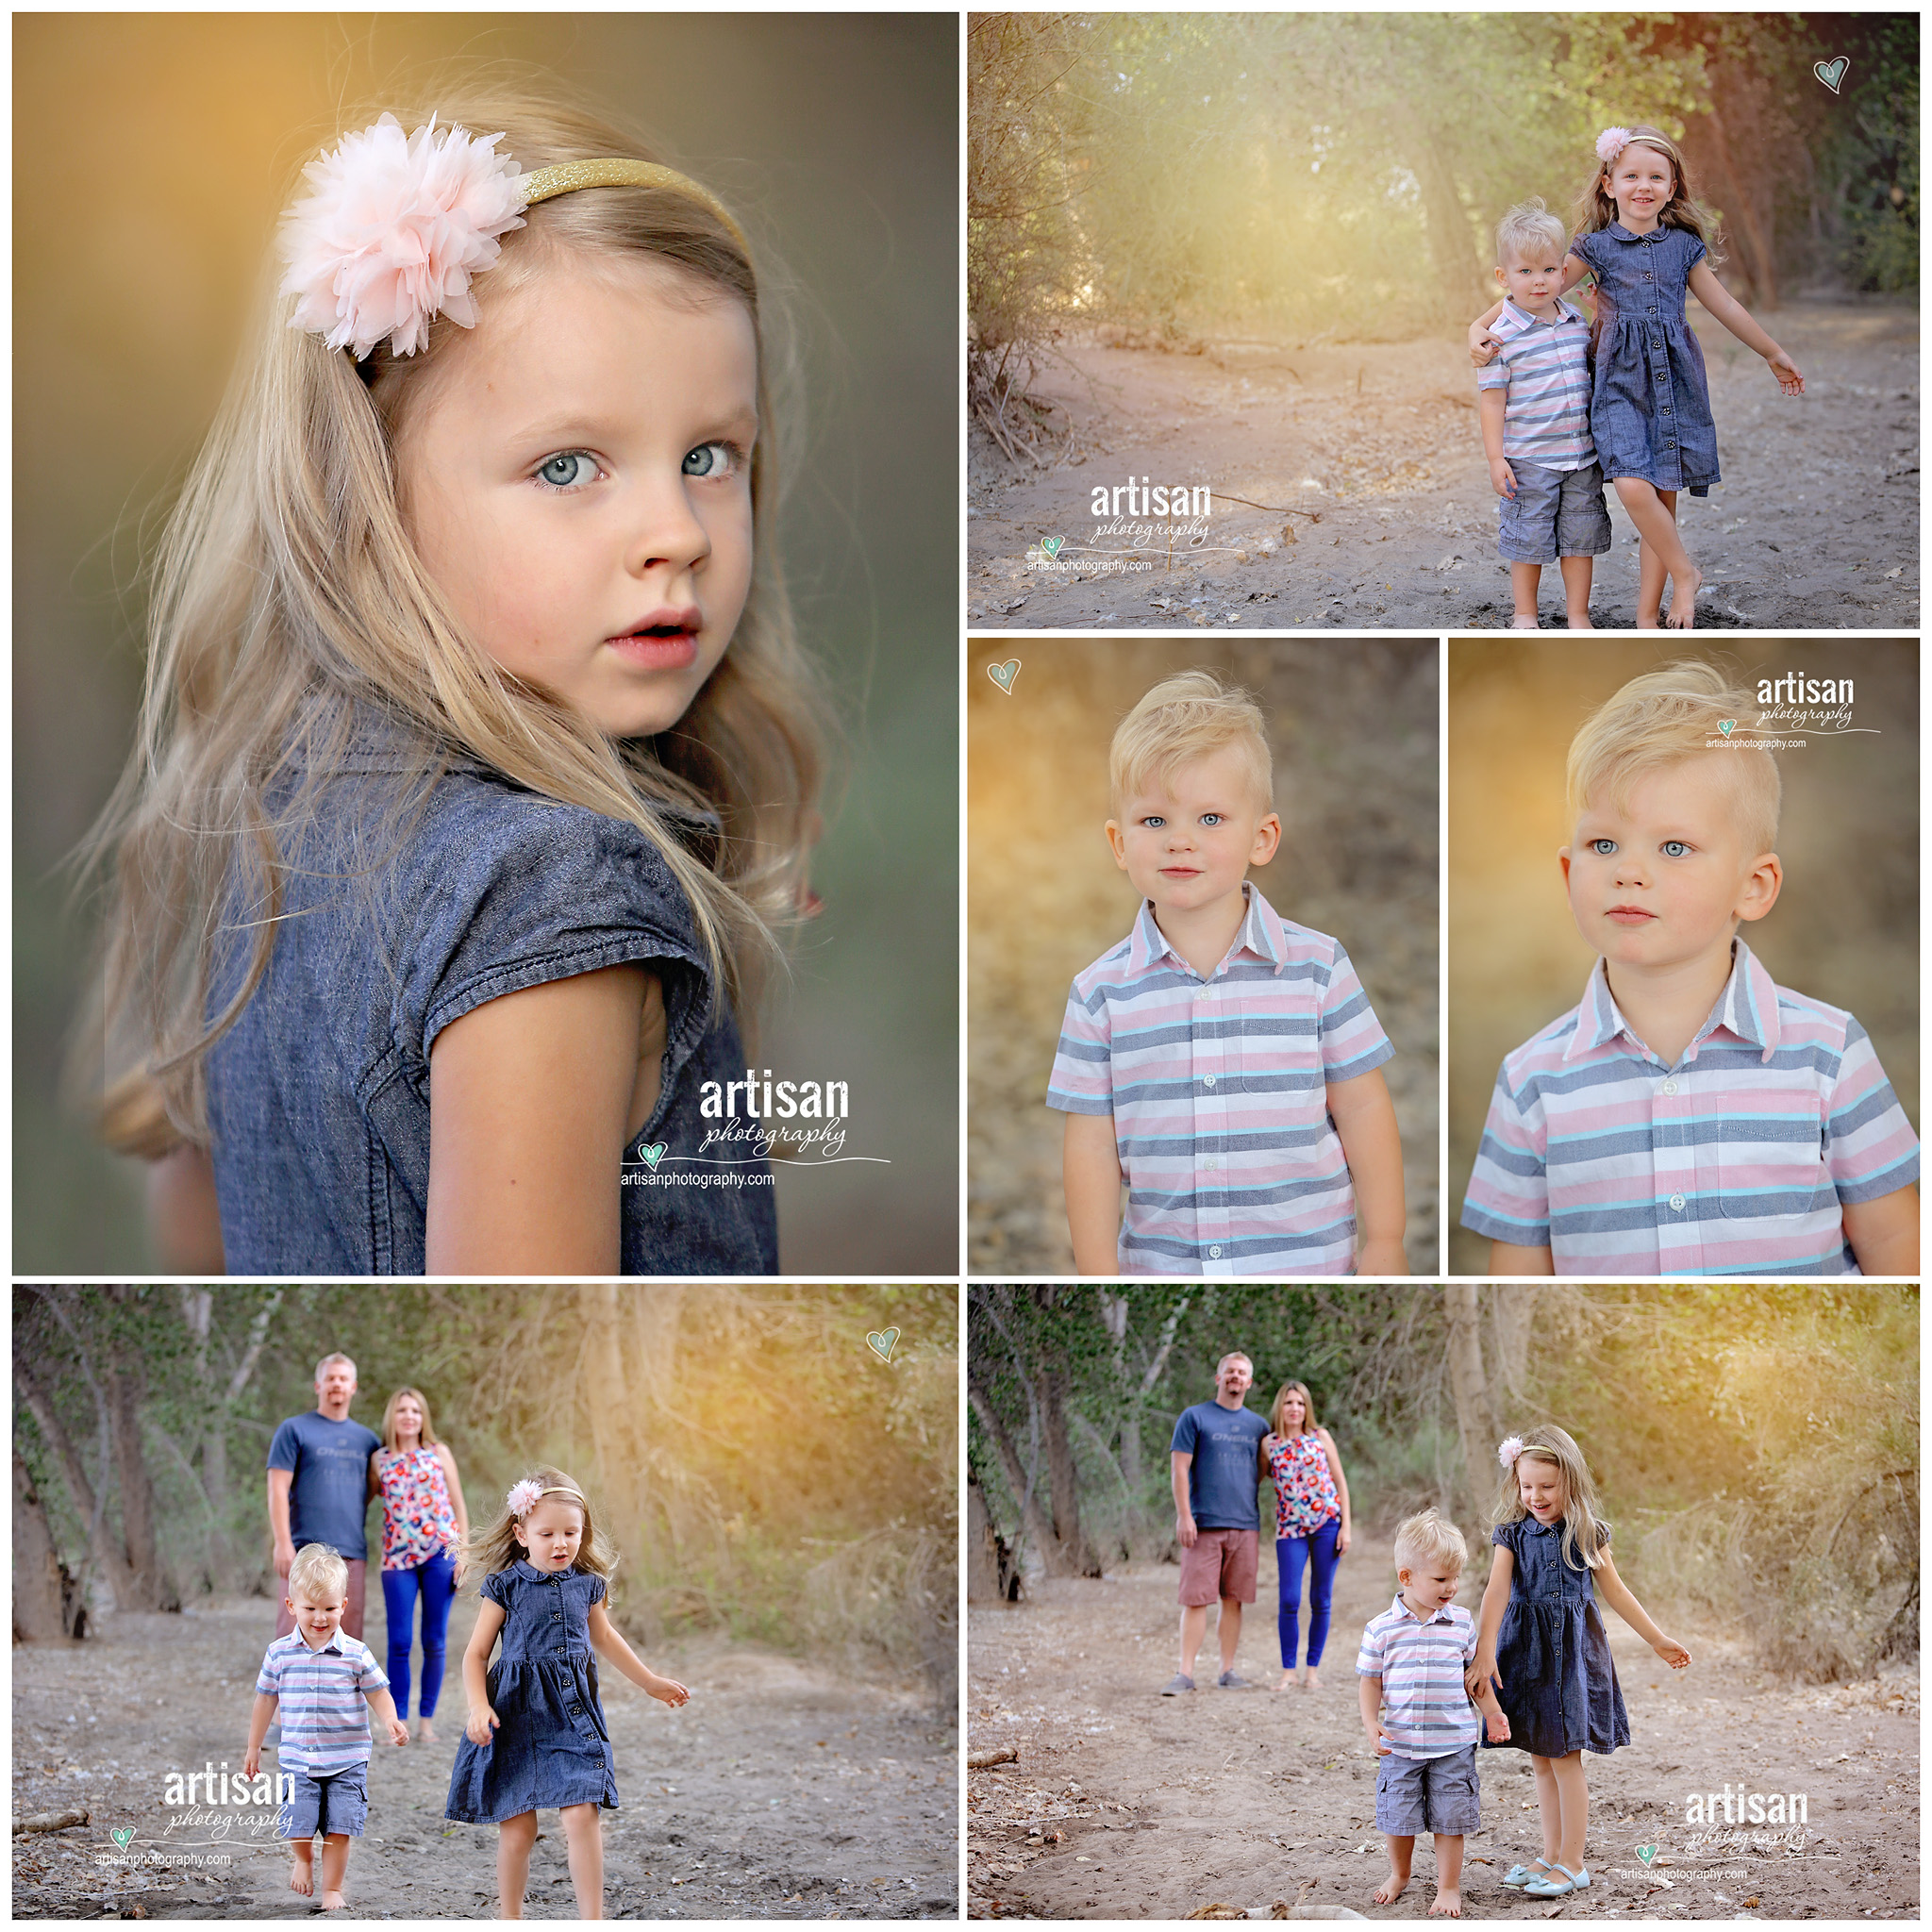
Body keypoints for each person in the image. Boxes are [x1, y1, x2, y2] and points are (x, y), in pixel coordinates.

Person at [81, 90, 826, 1275]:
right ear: (367, 504)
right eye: (568, 464)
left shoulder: (272, 817)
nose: (675, 531)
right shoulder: (556, 896)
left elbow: (204, 1230)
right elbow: (525, 1351)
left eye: (707, 456)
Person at [1461, 660, 1921, 1274]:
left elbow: (1898, 1253)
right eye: (1604, 844)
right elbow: (1519, 1285)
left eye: (1674, 847)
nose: (1630, 870)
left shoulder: (1828, 1053)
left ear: (1753, 887)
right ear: (1570, 874)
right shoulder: (1532, 1082)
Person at [1048, 671, 1406, 1277]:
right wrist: (1097, 1271)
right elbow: (1089, 1144)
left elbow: (1364, 1107)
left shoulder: (1316, 969)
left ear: (1261, 838)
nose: (1180, 841)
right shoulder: (1100, 994)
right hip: (1166, 1270)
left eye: (1210, 819)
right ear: (1118, 843)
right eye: (1154, 821)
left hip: (1307, 1262)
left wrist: (1386, 1241)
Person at [1470, 125, 1804, 629]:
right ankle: (1685, 572)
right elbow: (1536, 284)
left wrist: (1772, 352)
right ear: (1609, 184)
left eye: (1656, 177)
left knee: (1662, 496)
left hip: (1674, 379)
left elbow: (1725, 305)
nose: (1642, 185)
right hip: (1618, 383)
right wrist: (1478, 325)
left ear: (1672, 189)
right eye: (1631, 175)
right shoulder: (1596, 247)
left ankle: (1650, 616)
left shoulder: (1684, 248)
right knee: (1630, 483)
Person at [446, 1468, 691, 1919]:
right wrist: (478, 1706)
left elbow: (606, 1638)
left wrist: (649, 1681)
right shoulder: (506, 1586)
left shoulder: (588, 1585)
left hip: (572, 1714)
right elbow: (475, 1654)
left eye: (570, 1533)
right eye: (548, 1534)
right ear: (521, 1534)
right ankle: (510, 1917)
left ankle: (591, 1919)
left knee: (581, 1811)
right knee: (519, 1828)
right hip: (513, 1715)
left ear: (583, 1532)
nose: (560, 1543)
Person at [1467, 1426, 1689, 1901]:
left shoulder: (1585, 1532)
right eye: (1528, 1486)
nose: (1536, 1496)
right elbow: (1496, 1591)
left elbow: (1616, 1591)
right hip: (1526, 1654)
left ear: (1569, 1481)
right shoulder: (1511, 1534)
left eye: (1547, 1486)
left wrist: (1656, 1639)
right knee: (1542, 1761)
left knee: (1566, 1760)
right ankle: (1550, 1854)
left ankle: (1573, 1863)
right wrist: (1485, 1650)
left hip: (1570, 1659)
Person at [1357, 1509, 1510, 1918]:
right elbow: (1370, 1682)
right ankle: (1400, 1874)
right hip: (1401, 1744)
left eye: (1456, 1578)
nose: (1452, 1587)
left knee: (1451, 1817)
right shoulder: (1381, 1629)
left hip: (1453, 1742)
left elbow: (1474, 1678)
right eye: (1441, 1580)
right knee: (1399, 1818)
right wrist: (1372, 1725)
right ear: (1406, 1578)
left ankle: (1448, 1886)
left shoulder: (1461, 1623)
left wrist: (1492, 1714)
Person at [244, 1542, 409, 1909]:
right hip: (298, 1758)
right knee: (298, 1821)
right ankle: (303, 1860)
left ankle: (332, 1889)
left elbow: (378, 1692)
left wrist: (391, 1719)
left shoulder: (355, 1653)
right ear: (292, 1607)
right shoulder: (279, 1654)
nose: (321, 1617)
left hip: (348, 1758)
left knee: (340, 1828)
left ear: (344, 1606)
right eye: (310, 1609)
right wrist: (254, 1746)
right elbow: (265, 1701)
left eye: (330, 1609)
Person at [1474, 200, 1611, 631]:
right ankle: (1525, 614)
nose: (1539, 282)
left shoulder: (1574, 322)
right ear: (1504, 278)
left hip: (1580, 456)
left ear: (1563, 271)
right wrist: (1496, 459)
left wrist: (1598, 318)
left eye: (1550, 270)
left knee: (1580, 539)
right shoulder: (1499, 339)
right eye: (1526, 272)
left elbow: (1593, 370)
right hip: (1529, 459)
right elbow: (1492, 401)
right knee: (1527, 539)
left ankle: (1578, 616)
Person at [1162, 1353, 1272, 1692]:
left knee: (1233, 1599)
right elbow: (1179, 1468)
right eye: (1229, 1372)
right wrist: (1184, 1515)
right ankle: (1185, 1674)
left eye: (1241, 1373)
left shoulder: (1259, 1426)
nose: (1235, 1377)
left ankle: (1228, 1671)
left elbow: (1263, 1470)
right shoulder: (1194, 1417)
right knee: (1195, 1599)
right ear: (1218, 1377)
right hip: (1203, 1524)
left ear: (1249, 1382)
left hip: (1245, 1524)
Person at [373, 1386, 470, 1742]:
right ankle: (397, 1722)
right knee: (399, 1641)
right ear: (392, 1418)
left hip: (439, 1555)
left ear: (422, 1417)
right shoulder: (379, 1460)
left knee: (434, 1640)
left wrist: (464, 1553)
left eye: (415, 1410)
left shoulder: (438, 1453)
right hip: (396, 1559)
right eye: (402, 1411)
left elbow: (459, 1506)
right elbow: (366, 1498)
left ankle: (426, 1721)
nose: (409, 1416)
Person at [267, 1353, 383, 1641]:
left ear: (353, 1387)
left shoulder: (368, 1441)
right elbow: (277, 1488)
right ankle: (289, 1687)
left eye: (343, 1379)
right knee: (293, 1638)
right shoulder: (294, 1429)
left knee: (348, 1641)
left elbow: (367, 1492)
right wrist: (282, 1543)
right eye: (330, 1378)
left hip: (350, 1552)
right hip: (302, 1550)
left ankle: (342, 1689)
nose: (336, 1384)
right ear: (318, 1385)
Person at [1262, 1380, 1351, 1691]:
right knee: (1289, 1599)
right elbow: (1256, 1478)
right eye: (1288, 1403)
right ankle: (1289, 1670)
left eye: (1300, 1403)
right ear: (1280, 1407)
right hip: (1290, 1530)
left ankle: (1312, 1670)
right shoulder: (1269, 1444)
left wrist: (1346, 1528)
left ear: (1306, 1408)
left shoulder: (1320, 1437)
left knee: (1320, 1599)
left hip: (1327, 1524)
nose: (1294, 1409)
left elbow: (1340, 1483)